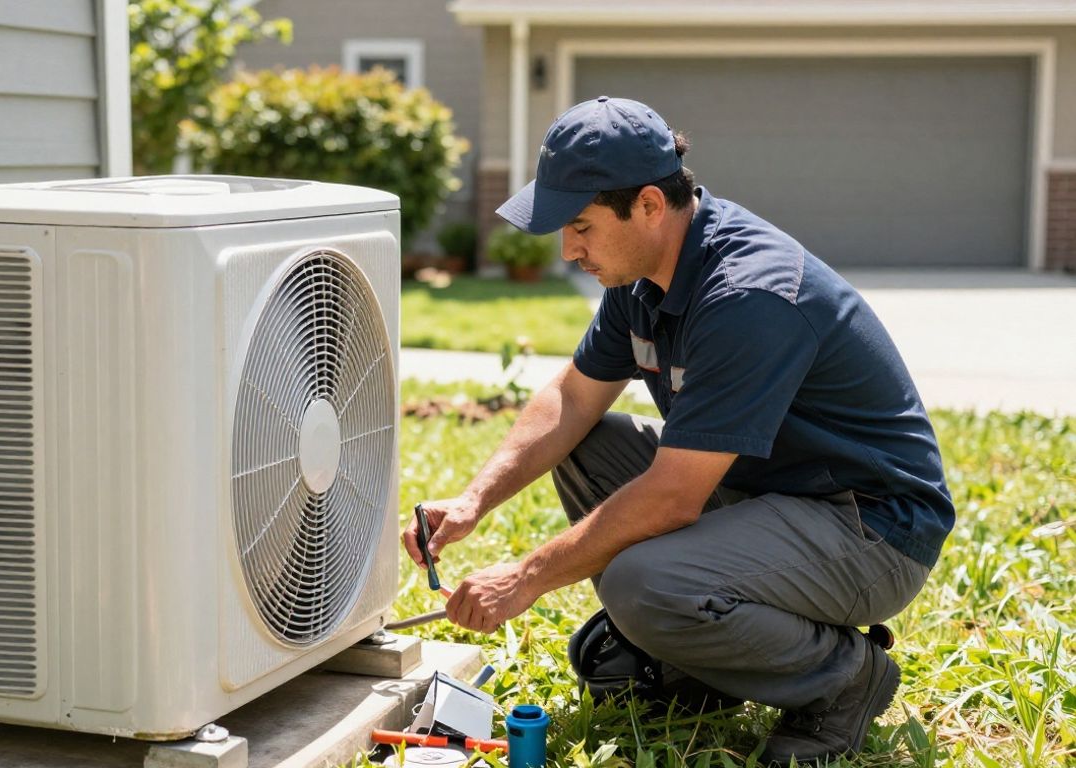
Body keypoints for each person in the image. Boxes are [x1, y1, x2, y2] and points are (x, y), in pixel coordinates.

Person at [403, 96, 954, 766]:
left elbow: (672, 499)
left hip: (870, 528)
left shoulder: (748, 296)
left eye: (580, 225)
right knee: (592, 446)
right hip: (768, 495)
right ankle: (703, 656)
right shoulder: (642, 276)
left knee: (645, 585)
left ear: (649, 207)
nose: (568, 249)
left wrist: (523, 577)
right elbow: (573, 399)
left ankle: (844, 680)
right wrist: (472, 502)